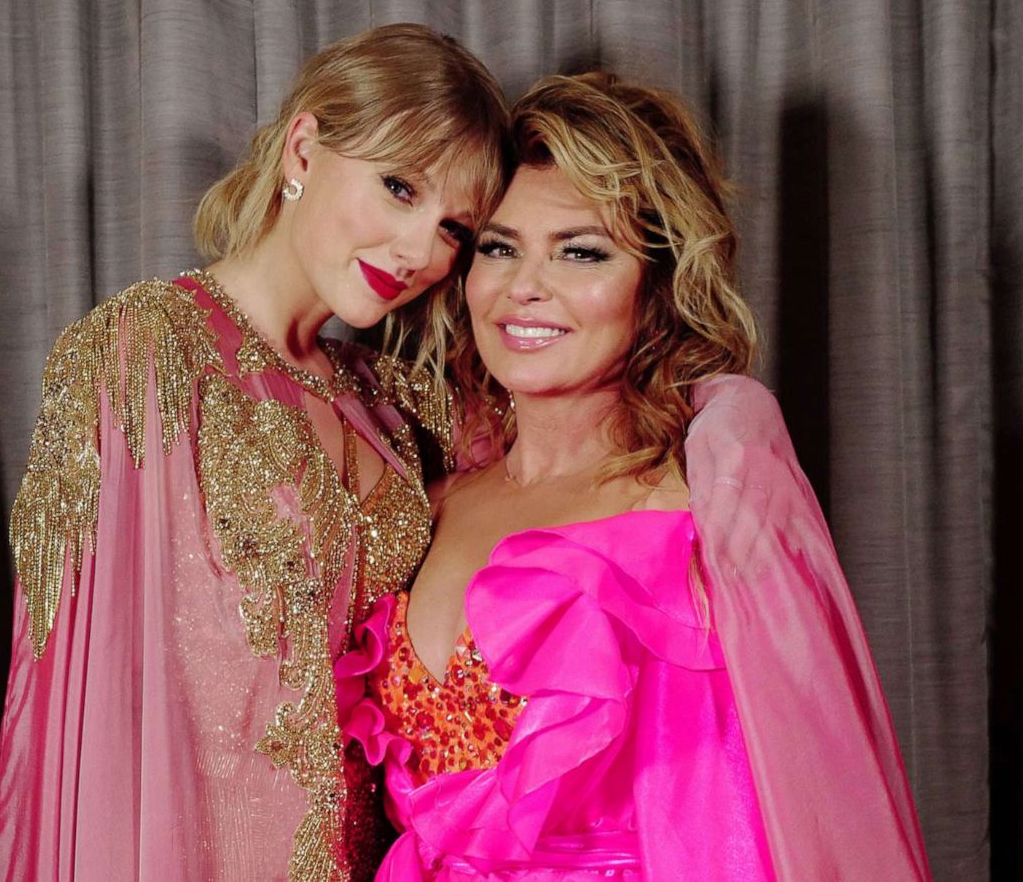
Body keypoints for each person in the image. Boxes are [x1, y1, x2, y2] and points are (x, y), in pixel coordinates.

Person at [336, 73, 932, 880]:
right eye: (499, 247)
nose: (524, 287)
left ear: (656, 284)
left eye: (582, 251)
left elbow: (732, 841)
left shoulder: (692, 520)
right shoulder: (423, 495)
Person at [0, 24, 509, 881]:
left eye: (453, 228)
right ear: (304, 146)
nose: (420, 253)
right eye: (398, 187)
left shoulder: (399, 404)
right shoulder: (149, 352)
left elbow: (579, 467)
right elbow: (92, 706)